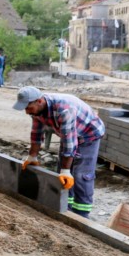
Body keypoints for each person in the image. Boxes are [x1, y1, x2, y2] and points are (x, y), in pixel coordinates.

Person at [13, 86, 105, 218]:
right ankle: (65, 207)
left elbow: (70, 141)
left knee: (80, 175)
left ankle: (81, 215)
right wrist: (32, 156)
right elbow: (36, 134)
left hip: (88, 134)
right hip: (69, 134)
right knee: (61, 175)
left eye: (28, 108)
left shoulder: (64, 109)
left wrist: (66, 170)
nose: (27, 112)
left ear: (39, 101)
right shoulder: (37, 111)